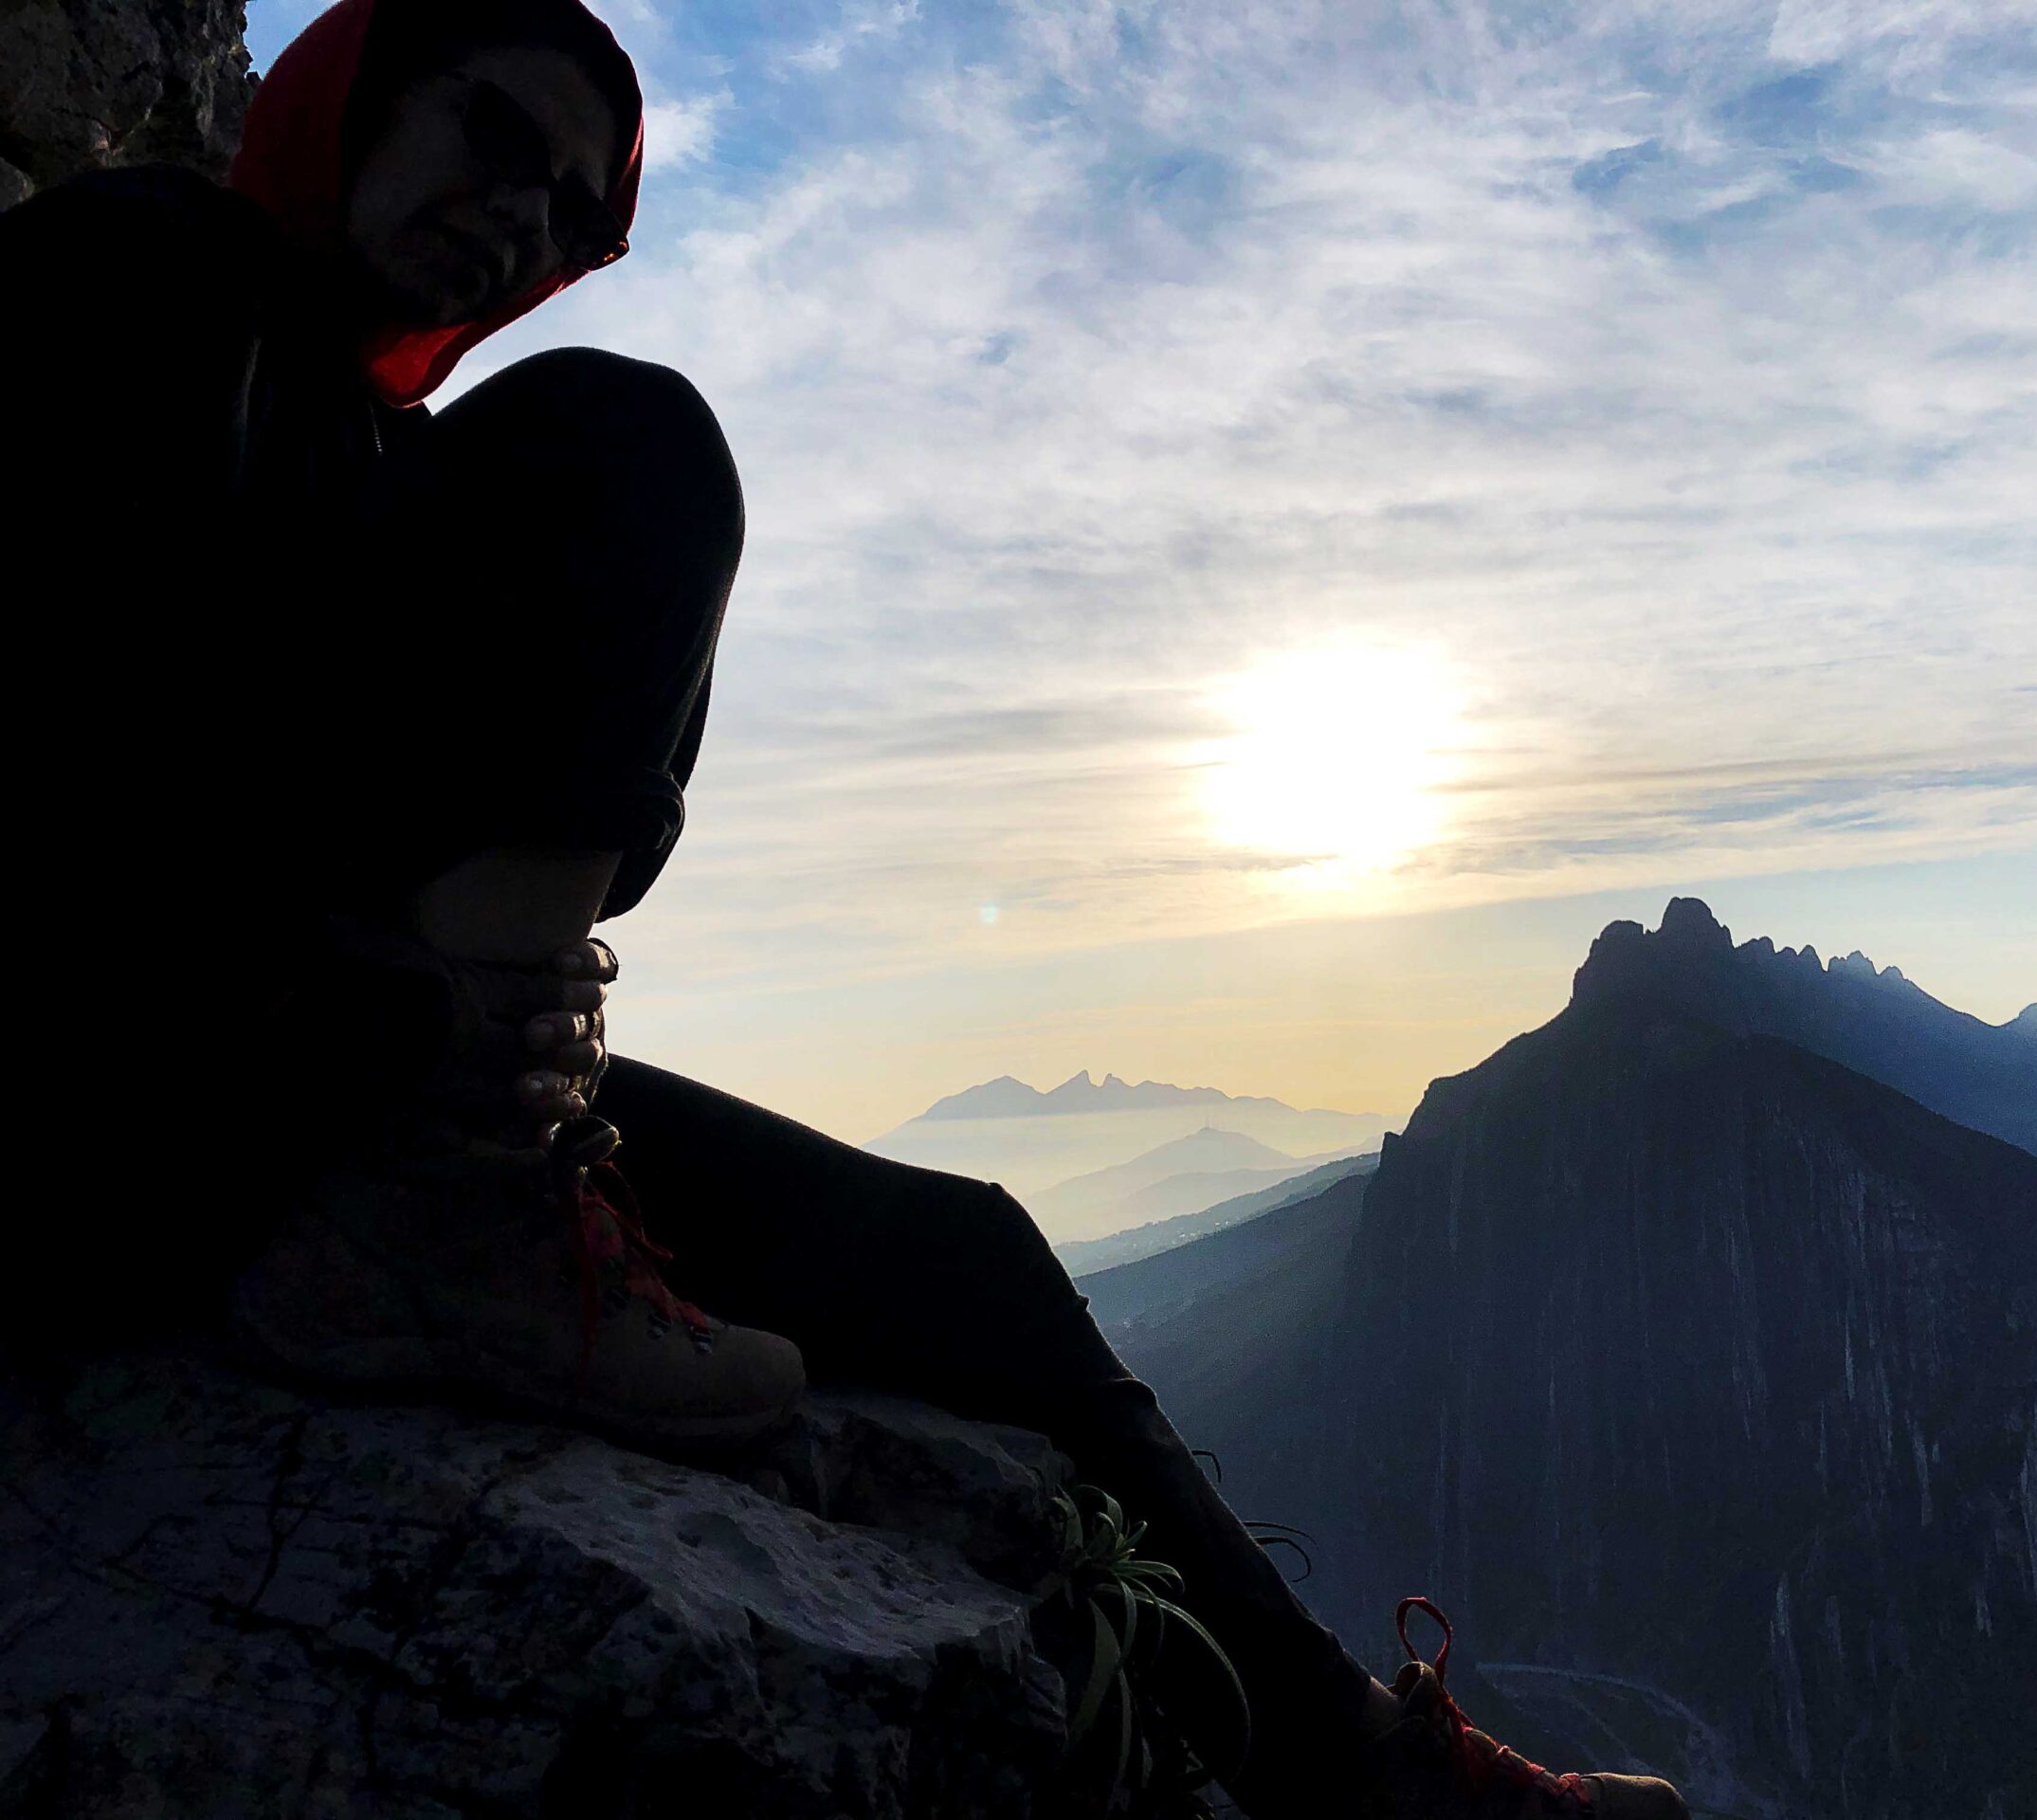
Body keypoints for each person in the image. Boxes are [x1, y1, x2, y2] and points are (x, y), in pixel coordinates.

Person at [0, 2, 1685, 1814]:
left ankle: (1366, 1759)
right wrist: (367, 999)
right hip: (113, 1081)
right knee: (629, 437)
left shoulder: (391, 463)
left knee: (963, 1254)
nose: (525, 221)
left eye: (572, 215)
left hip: (350, 1100)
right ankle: (455, 1201)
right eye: (497, 137)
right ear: (362, 91)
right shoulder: (143, 273)